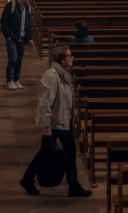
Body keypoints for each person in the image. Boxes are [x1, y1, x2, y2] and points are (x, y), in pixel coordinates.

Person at [20, 46, 92, 197]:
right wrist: (46, 127)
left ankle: (71, 186)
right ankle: (72, 186)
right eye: (70, 56)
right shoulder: (52, 76)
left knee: (60, 153)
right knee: (50, 153)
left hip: (63, 122)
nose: (73, 58)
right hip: (55, 123)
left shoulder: (63, 75)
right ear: (62, 60)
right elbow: (45, 103)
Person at [0, 0, 34, 90]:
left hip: (22, 38)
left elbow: (28, 23)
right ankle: (10, 80)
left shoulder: (28, 7)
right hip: (12, 37)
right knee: (13, 60)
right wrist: (8, 35)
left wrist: (30, 38)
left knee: (19, 60)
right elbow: (3, 20)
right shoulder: (11, 5)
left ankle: (16, 80)